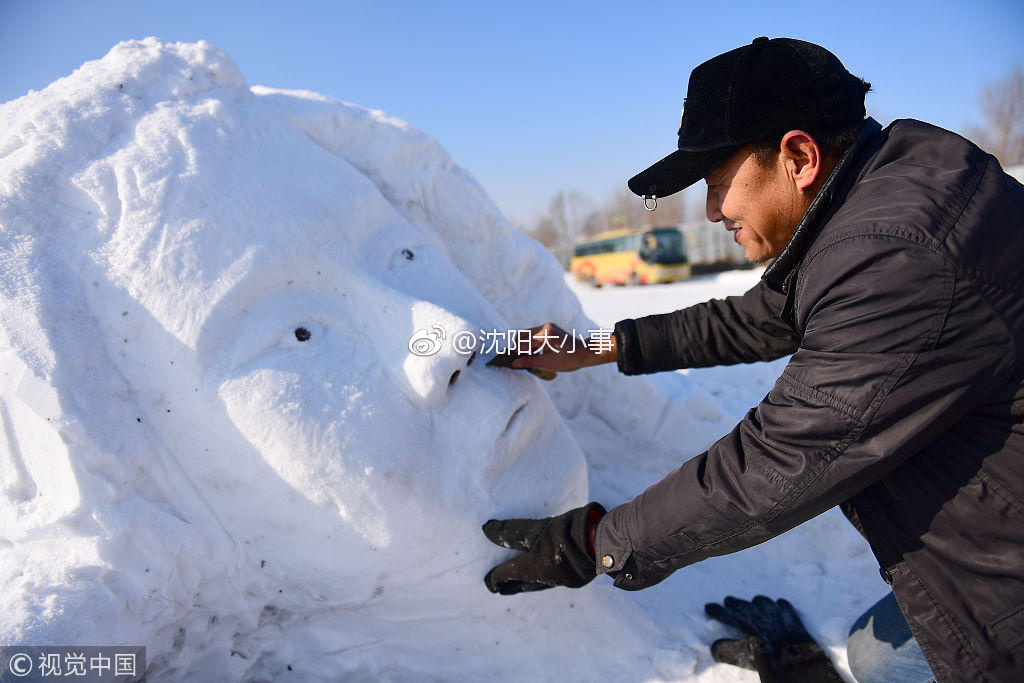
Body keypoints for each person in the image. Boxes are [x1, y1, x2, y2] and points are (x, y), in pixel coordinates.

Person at [482, 37, 1024, 682]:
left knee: (894, 663)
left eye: (717, 184)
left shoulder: (898, 255)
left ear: (798, 156)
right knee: (883, 654)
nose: (713, 211)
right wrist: (596, 347)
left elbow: (780, 461)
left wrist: (594, 543)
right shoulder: (882, 202)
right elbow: (759, 318)